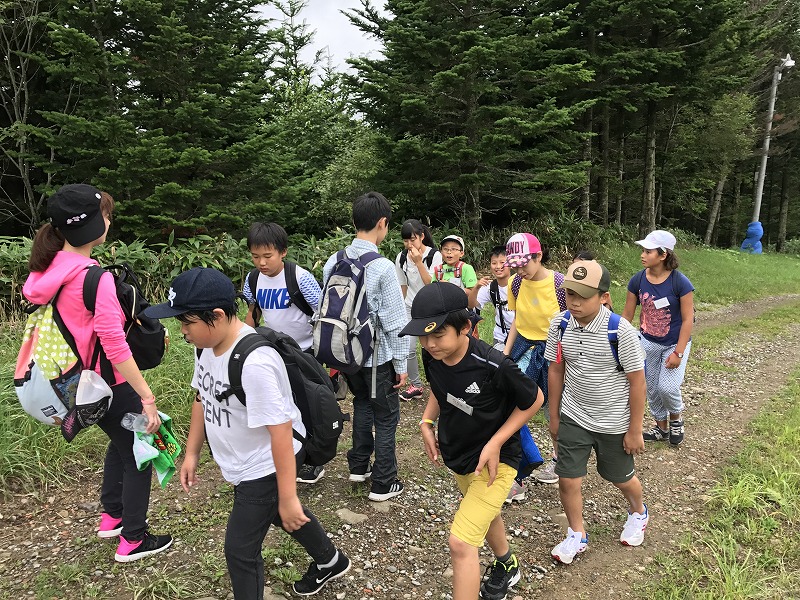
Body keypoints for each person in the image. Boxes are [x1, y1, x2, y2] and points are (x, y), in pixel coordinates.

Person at [144, 267, 351, 598]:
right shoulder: (206, 346)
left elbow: (281, 433)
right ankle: (330, 560)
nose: (182, 331)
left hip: (266, 463)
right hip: (245, 461)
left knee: (240, 550)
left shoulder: (255, 363)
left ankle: (318, 552)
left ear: (216, 316)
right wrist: (192, 453)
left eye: (187, 322)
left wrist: (288, 495)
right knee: (281, 515)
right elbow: (202, 395)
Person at [22, 184, 171, 562]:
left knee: (120, 442)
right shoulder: (94, 279)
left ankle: (112, 517)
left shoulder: (50, 271)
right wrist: (147, 397)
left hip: (76, 385)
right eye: (105, 215)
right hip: (110, 384)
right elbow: (115, 346)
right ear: (91, 226)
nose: (109, 221)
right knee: (141, 450)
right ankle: (134, 539)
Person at [401, 282, 543, 600]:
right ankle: (507, 564)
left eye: (438, 335)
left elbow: (535, 399)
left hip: (498, 460)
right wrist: (427, 420)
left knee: (461, 543)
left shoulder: (494, 364)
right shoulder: (434, 356)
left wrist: (496, 442)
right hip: (460, 455)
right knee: (485, 514)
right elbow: (440, 389)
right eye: (423, 337)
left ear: (465, 327)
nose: (430, 344)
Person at [545, 260, 649, 564]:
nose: (574, 302)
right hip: (574, 416)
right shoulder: (560, 324)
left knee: (619, 477)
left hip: (613, 421)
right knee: (568, 479)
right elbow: (555, 369)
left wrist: (634, 429)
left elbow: (637, 382)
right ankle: (577, 533)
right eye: (570, 294)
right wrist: (554, 416)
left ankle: (639, 511)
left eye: (583, 296)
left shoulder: (621, 331)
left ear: (603, 296)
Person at [321, 192, 409, 501]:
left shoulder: (334, 261)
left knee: (361, 403)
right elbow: (397, 324)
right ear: (383, 224)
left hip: (345, 355)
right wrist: (401, 366)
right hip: (377, 356)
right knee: (386, 416)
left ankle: (358, 465)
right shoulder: (383, 267)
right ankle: (384, 481)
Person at [241, 222, 326, 484]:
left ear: (283, 252)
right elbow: (252, 313)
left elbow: (322, 312)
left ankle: (315, 461)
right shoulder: (252, 279)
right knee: (279, 405)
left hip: (305, 351)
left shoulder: (300, 278)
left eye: (267, 256)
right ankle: (286, 454)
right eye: (255, 257)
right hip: (272, 352)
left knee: (308, 405)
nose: (261, 263)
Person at [503, 233, 567, 495]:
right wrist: (506, 355)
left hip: (556, 353)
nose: (520, 271)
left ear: (539, 257)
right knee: (512, 405)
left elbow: (571, 321)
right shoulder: (515, 284)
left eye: (524, 264)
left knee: (558, 412)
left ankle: (561, 463)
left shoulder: (560, 284)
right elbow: (517, 321)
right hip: (525, 350)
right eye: (515, 266)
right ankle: (519, 473)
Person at [622, 230, 694, 445]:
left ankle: (676, 418)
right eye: (642, 250)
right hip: (647, 342)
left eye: (648, 251)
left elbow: (688, 319)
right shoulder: (637, 280)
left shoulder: (680, 283)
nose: (642, 255)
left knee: (668, 387)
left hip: (674, 343)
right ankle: (661, 428)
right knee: (652, 388)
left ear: (663, 255)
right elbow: (627, 315)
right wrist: (619, 341)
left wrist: (678, 352)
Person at [395, 219, 442, 401]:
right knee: (408, 348)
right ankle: (416, 385)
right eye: (406, 241)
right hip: (410, 307)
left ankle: (440, 383)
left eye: (413, 239)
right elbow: (403, 286)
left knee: (434, 347)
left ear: (422, 237)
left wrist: (419, 262)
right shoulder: (400, 258)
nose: (409, 244)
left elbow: (431, 284)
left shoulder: (434, 256)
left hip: (431, 307)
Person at [468, 245, 515, 351]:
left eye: (502, 262)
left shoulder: (518, 284)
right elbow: (471, 305)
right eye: (494, 263)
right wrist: (476, 287)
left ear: (511, 264)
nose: (498, 266)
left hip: (520, 336)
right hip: (500, 337)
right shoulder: (491, 287)